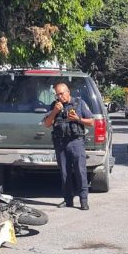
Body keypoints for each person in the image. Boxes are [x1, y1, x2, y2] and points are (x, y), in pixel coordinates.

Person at [43, 82, 95, 210]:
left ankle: (83, 200)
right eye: (57, 94)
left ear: (68, 92)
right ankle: (68, 200)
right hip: (60, 142)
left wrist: (78, 119)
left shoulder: (79, 103)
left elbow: (91, 122)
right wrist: (55, 111)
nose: (60, 97)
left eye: (62, 93)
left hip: (76, 141)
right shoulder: (54, 106)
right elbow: (47, 124)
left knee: (80, 171)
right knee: (65, 173)